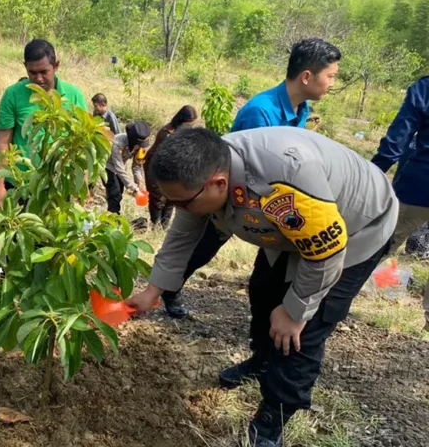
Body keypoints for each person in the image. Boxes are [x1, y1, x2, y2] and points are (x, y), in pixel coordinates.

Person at [127, 128, 396, 447]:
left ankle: (272, 420)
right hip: (295, 232)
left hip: (354, 230)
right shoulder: (200, 174)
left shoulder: (284, 180)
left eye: (181, 203)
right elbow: (182, 237)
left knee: (302, 331)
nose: (177, 209)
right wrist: (152, 291)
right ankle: (262, 361)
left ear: (219, 184)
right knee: (265, 292)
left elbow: (326, 253)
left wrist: (296, 311)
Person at [0, 39, 87, 208]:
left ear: (56, 65)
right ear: (25, 67)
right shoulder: (12, 94)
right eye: (32, 72)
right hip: (20, 184)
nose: (38, 78)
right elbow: (3, 143)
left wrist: (83, 184)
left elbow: (83, 145)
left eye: (44, 72)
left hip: (61, 183)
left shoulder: (74, 95)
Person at [372, 76, 429, 329]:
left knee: (381, 242)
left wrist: (372, 173)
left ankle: (334, 302)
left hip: (419, 185)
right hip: (418, 184)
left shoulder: (425, 88)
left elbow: (398, 137)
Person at [231, 38, 340, 132]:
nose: (332, 83)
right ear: (306, 77)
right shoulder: (260, 113)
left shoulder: (302, 107)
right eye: (330, 76)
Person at [145, 106, 199, 228]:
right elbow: (160, 157)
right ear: (181, 120)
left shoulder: (186, 133)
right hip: (156, 166)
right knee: (157, 196)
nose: (190, 127)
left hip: (174, 167)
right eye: (188, 124)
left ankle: (164, 226)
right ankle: (155, 226)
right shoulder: (166, 133)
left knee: (171, 197)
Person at [105, 121, 150, 214]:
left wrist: (139, 182)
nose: (140, 146)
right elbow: (118, 167)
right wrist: (132, 186)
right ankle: (112, 219)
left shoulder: (139, 147)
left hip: (121, 167)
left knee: (119, 193)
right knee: (114, 193)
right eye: (139, 143)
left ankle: (114, 215)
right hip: (109, 166)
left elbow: (137, 165)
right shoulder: (117, 143)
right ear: (133, 140)